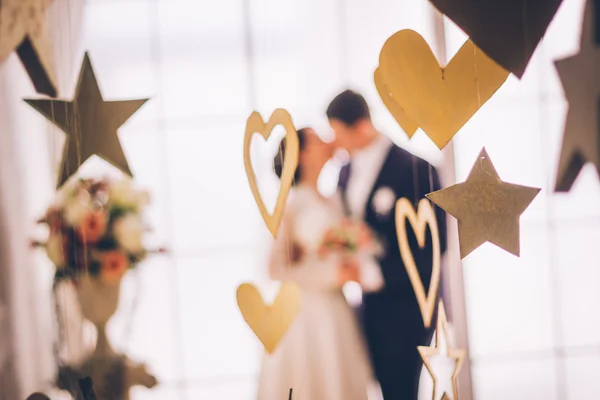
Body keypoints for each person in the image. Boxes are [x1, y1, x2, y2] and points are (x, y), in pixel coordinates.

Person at [327, 90, 447, 400]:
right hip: (368, 309)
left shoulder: (417, 169)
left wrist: (376, 269)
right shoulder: (344, 171)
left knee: (402, 390)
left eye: (339, 133)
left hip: (408, 306)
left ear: (362, 126)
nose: (336, 143)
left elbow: (436, 246)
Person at [256, 127, 381, 400]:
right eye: (317, 139)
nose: (327, 141)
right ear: (302, 155)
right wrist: (331, 274)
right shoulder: (290, 206)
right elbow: (274, 269)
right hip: (303, 314)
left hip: (336, 309)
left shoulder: (336, 198)